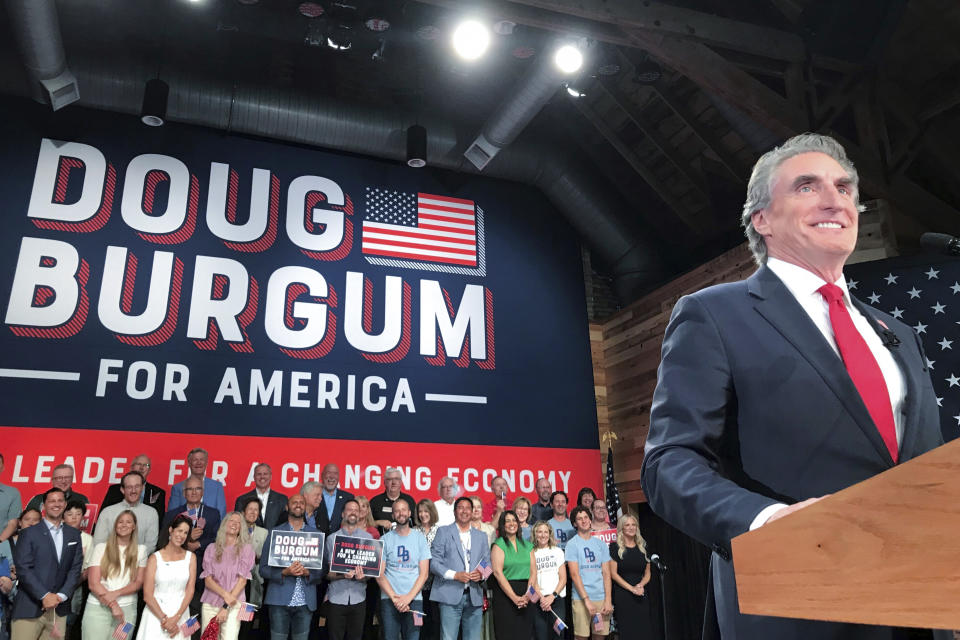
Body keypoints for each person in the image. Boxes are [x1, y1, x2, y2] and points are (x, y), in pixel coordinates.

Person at [641, 133, 947, 640]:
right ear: (761, 218)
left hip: (918, 609)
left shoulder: (900, 335)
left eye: (845, 188)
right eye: (807, 187)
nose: (835, 200)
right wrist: (768, 521)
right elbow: (668, 462)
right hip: (796, 608)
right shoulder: (714, 314)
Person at [10, 488, 83, 640]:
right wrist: (44, 595)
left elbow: (75, 569)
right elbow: (23, 568)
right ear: (44, 505)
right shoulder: (28, 533)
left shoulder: (74, 534)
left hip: (59, 608)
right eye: (52, 501)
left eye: (60, 500)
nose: (56, 504)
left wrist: (61, 596)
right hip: (29, 607)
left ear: (65, 504)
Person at [259, 494, 324, 640]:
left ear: (305, 507)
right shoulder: (275, 533)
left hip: (305, 603)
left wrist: (308, 573)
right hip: (278, 601)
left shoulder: (316, 535)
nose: (298, 505)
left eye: (302, 502)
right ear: (287, 507)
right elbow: (262, 568)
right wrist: (284, 572)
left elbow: (321, 570)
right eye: (295, 502)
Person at [429, 497, 489, 640]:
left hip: (474, 595)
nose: (464, 511)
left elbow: (488, 562)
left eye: (468, 508)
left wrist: (481, 574)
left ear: (472, 511)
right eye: (460, 508)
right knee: (448, 637)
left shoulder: (481, 536)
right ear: (455, 511)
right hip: (449, 594)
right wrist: (455, 575)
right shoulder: (443, 532)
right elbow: (434, 563)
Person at [82, 510, 147, 638]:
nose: (124, 525)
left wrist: (116, 593)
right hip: (98, 608)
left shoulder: (141, 550)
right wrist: (114, 605)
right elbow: (93, 584)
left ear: (134, 526)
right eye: (120, 522)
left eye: (128, 522)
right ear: (115, 525)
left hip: (127, 611)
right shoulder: (101, 548)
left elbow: (138, 582)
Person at [136, 515, 197, 640]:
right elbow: (147, 594)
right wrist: (165, 620)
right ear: (171, 530)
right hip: (155, 614)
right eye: (179, 530)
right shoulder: (154, 558)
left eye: (186, 533)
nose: (182, 535)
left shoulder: (191, 558)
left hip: (180, 614)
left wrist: (176, 618)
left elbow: (190, 590)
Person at [377, 499, 430, 640]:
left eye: (404, 510)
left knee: (414, 637)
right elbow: (379, 575)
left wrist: (408, 598)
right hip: (389, 601)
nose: (401, 513)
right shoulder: (384, 539)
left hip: (415, 601)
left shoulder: (420, 539)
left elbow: (424, 574)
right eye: (397, 511)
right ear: (393, 515)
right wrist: (396, 599)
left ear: (410, 513)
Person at [200, 512, 254, 640]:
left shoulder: (246, 549)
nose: (234, 524)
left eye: (238, 522)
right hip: (210, 604)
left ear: (242, 528)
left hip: (233, 605)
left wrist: (225, 606)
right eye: (231, 521)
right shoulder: (211, 548)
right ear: (224, 524)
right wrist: (226, 595)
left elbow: (242, 582)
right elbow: (208, 580)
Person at [324, 499, 371, 640]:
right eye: (349, 509)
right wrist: (342, 575)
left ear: (360, 514)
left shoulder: (368, 539)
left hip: (359, 598)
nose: (353, 512)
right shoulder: (332, 539)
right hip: (336, 597)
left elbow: (371, 573)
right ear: (343, 514)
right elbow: (327, 574)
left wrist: (364, 577)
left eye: (356, 510)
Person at [564, 507, 612, 640]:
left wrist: (608, 600)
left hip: (601, 598)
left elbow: (607, 574)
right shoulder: (572, 545)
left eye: (586, 517)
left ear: (590, 520)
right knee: (581, 637)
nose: (584, 521)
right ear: (574, 523)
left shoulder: (601, 544)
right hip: (581, 599)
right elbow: (574, 574)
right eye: (579, 519)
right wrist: (587, 601)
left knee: (599, 636)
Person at [489, 511, 533, 640]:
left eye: (514, 520)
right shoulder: (498, 545)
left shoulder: (528, 545)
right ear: (502, 525)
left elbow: (533, 573)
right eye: (507, 521)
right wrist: (514, 597)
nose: (511, 523)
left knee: (524, 634)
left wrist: (527, 596)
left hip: (526, 595)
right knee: (507, 634)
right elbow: (497, 573)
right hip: (505, 595)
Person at [607, 514, 651, 638]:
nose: (631, 528)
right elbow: (613, 574)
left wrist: (640, 585)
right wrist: (631, 589)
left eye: (633, 524)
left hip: (641, 593)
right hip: (623, 594)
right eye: (627, 525)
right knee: (628, 631)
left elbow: (648, 573)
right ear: (622, 528)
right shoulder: (614, 547)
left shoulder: (644, 547)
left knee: (644, 629)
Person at [94, 472, 159, 555]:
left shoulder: (151, 513)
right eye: (129, 487)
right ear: (122, 489)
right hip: (110, 562)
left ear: (143, 487)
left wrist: (133, 559)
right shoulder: (107, 512)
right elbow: (99, 543)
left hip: (139, 563)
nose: (133, 491)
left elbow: (150, 545)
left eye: (137, 486)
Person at [161, 477, 221, 561]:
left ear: (202, 492)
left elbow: (218, 538)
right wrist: (187, 538)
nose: (194, 492)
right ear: (184, 493)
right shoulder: (172, 515)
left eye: (198, 488)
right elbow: (163, 541)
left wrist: (198, 544)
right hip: (177, 560)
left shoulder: (213, 514)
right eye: (190, 489)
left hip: (204, 562)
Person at [236, 497, 267, 640]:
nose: (253, 512)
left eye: (257, 510)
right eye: (250, 509)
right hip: (234, 582)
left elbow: (265, 558)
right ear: (243, 512)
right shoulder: (234, 529)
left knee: (247, 619)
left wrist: (256, 557)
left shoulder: (263, 533)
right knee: (233, 618)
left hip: (252, 583)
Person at [101, 456, 166, 524]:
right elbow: (104, 515)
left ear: (149, 470)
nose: (141, 468)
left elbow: (159, 521)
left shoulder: (158, 492)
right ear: (131, 467)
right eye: (138, 464)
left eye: (146, 465)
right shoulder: (114, 490)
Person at [529, 522, 566, 640]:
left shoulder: (557, 551)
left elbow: (563, 578)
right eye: (539, 531)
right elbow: (532, 579)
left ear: (550, 534)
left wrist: (552, 597)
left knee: (558, 636)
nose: (543, 535)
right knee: (541, 636)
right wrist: (542, 599)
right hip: (539, 601)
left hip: (557, 600)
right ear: (535, 534)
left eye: (546, 532)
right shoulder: (531, 553)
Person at [62, 501, 94, 640]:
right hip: (53, 588)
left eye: (78, 514)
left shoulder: (88, 539)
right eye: (70, 514)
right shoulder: (55, 536)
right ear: (63, 516)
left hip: (75, 590)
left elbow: (88, 568)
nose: (74, 517)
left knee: (68, 627)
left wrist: (73, 583)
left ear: (83, 517)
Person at [168, 450, 227, 518]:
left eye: (201, 459)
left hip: (211, 528)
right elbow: (172, 515)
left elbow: (221, 514)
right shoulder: (178, 487)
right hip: (186, 527)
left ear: (206, 463)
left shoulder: (217, 487)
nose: (198, 463)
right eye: (195, 460)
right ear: (189, 463)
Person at [414, 500, 440, 640]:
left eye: (426, 511)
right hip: (417, 589)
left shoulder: (440, 531)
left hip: (435, 587)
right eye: (420, 511)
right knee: (418, 622)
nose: (423, 514)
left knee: (434, 621)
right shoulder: (413, 531)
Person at [234, 465, 286, 530]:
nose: (262, 477)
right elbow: (238, 523)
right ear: (254, 477)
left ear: (271, 476)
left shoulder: (282, 499)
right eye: (259, 474)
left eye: (265, 474)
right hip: (249, 539)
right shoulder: (242, 500)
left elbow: (285, 524)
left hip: (274, 539)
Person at [370, 469, 417, 534]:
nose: (394, 482)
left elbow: (416, 524)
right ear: (384, 482)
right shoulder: (375, 502)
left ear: (401, 482)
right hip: (381, 541)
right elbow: (365, 524)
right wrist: (378, 522)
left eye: (397, 479)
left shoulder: (409, 500)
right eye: (390, 479)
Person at [24, 465, 88, 512]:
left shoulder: (82, 499)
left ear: (72, 479)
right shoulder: (38, 500)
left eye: (67, 477)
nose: (63, 481)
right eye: (59, 478)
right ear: (52, 480)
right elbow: (26, 522)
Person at [316, 464, 354, 536]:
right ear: (322, 475)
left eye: (335, 473)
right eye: (329, 472)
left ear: (339, 477)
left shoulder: (348, 498)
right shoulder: (314, 496)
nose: (332, 476)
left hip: (340, 542)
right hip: (317, 541)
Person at [0, 454, 23, 544]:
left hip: (2, 546)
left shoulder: (12, 493)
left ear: (2, 468)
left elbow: (13, 523)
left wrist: (0, 541)